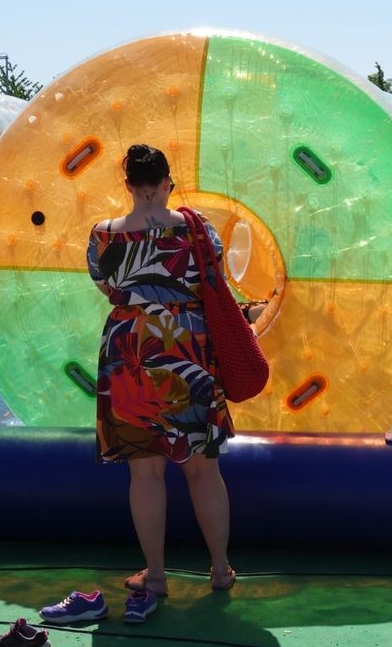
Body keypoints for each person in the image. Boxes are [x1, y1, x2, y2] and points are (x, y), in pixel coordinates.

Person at [84, 144, 236, 625]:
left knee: (145, 475)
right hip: (186, 348)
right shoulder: (197, 229)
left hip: (130, 352)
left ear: (127, 184)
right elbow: (214, 278)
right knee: (203, 471)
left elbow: (108, 287)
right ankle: (219, 568)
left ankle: (155, 575)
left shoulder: (103, 236)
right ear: (168, 181)